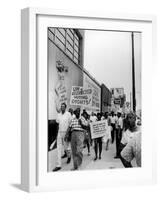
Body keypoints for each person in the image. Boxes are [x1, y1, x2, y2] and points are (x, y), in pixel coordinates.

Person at [51, 103, 72, 172]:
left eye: (63, 107)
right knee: (59, 148)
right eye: (61, 106)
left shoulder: (68, 114)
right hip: (60, 133)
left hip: (66, 133)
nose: (62, 108)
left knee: (67, 148)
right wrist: (57, 133)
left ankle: (69, 156)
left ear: (65, 108)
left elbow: (70, 124)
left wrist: (68, 134)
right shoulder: (59, 115)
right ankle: (58, 165)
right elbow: (57, 124)